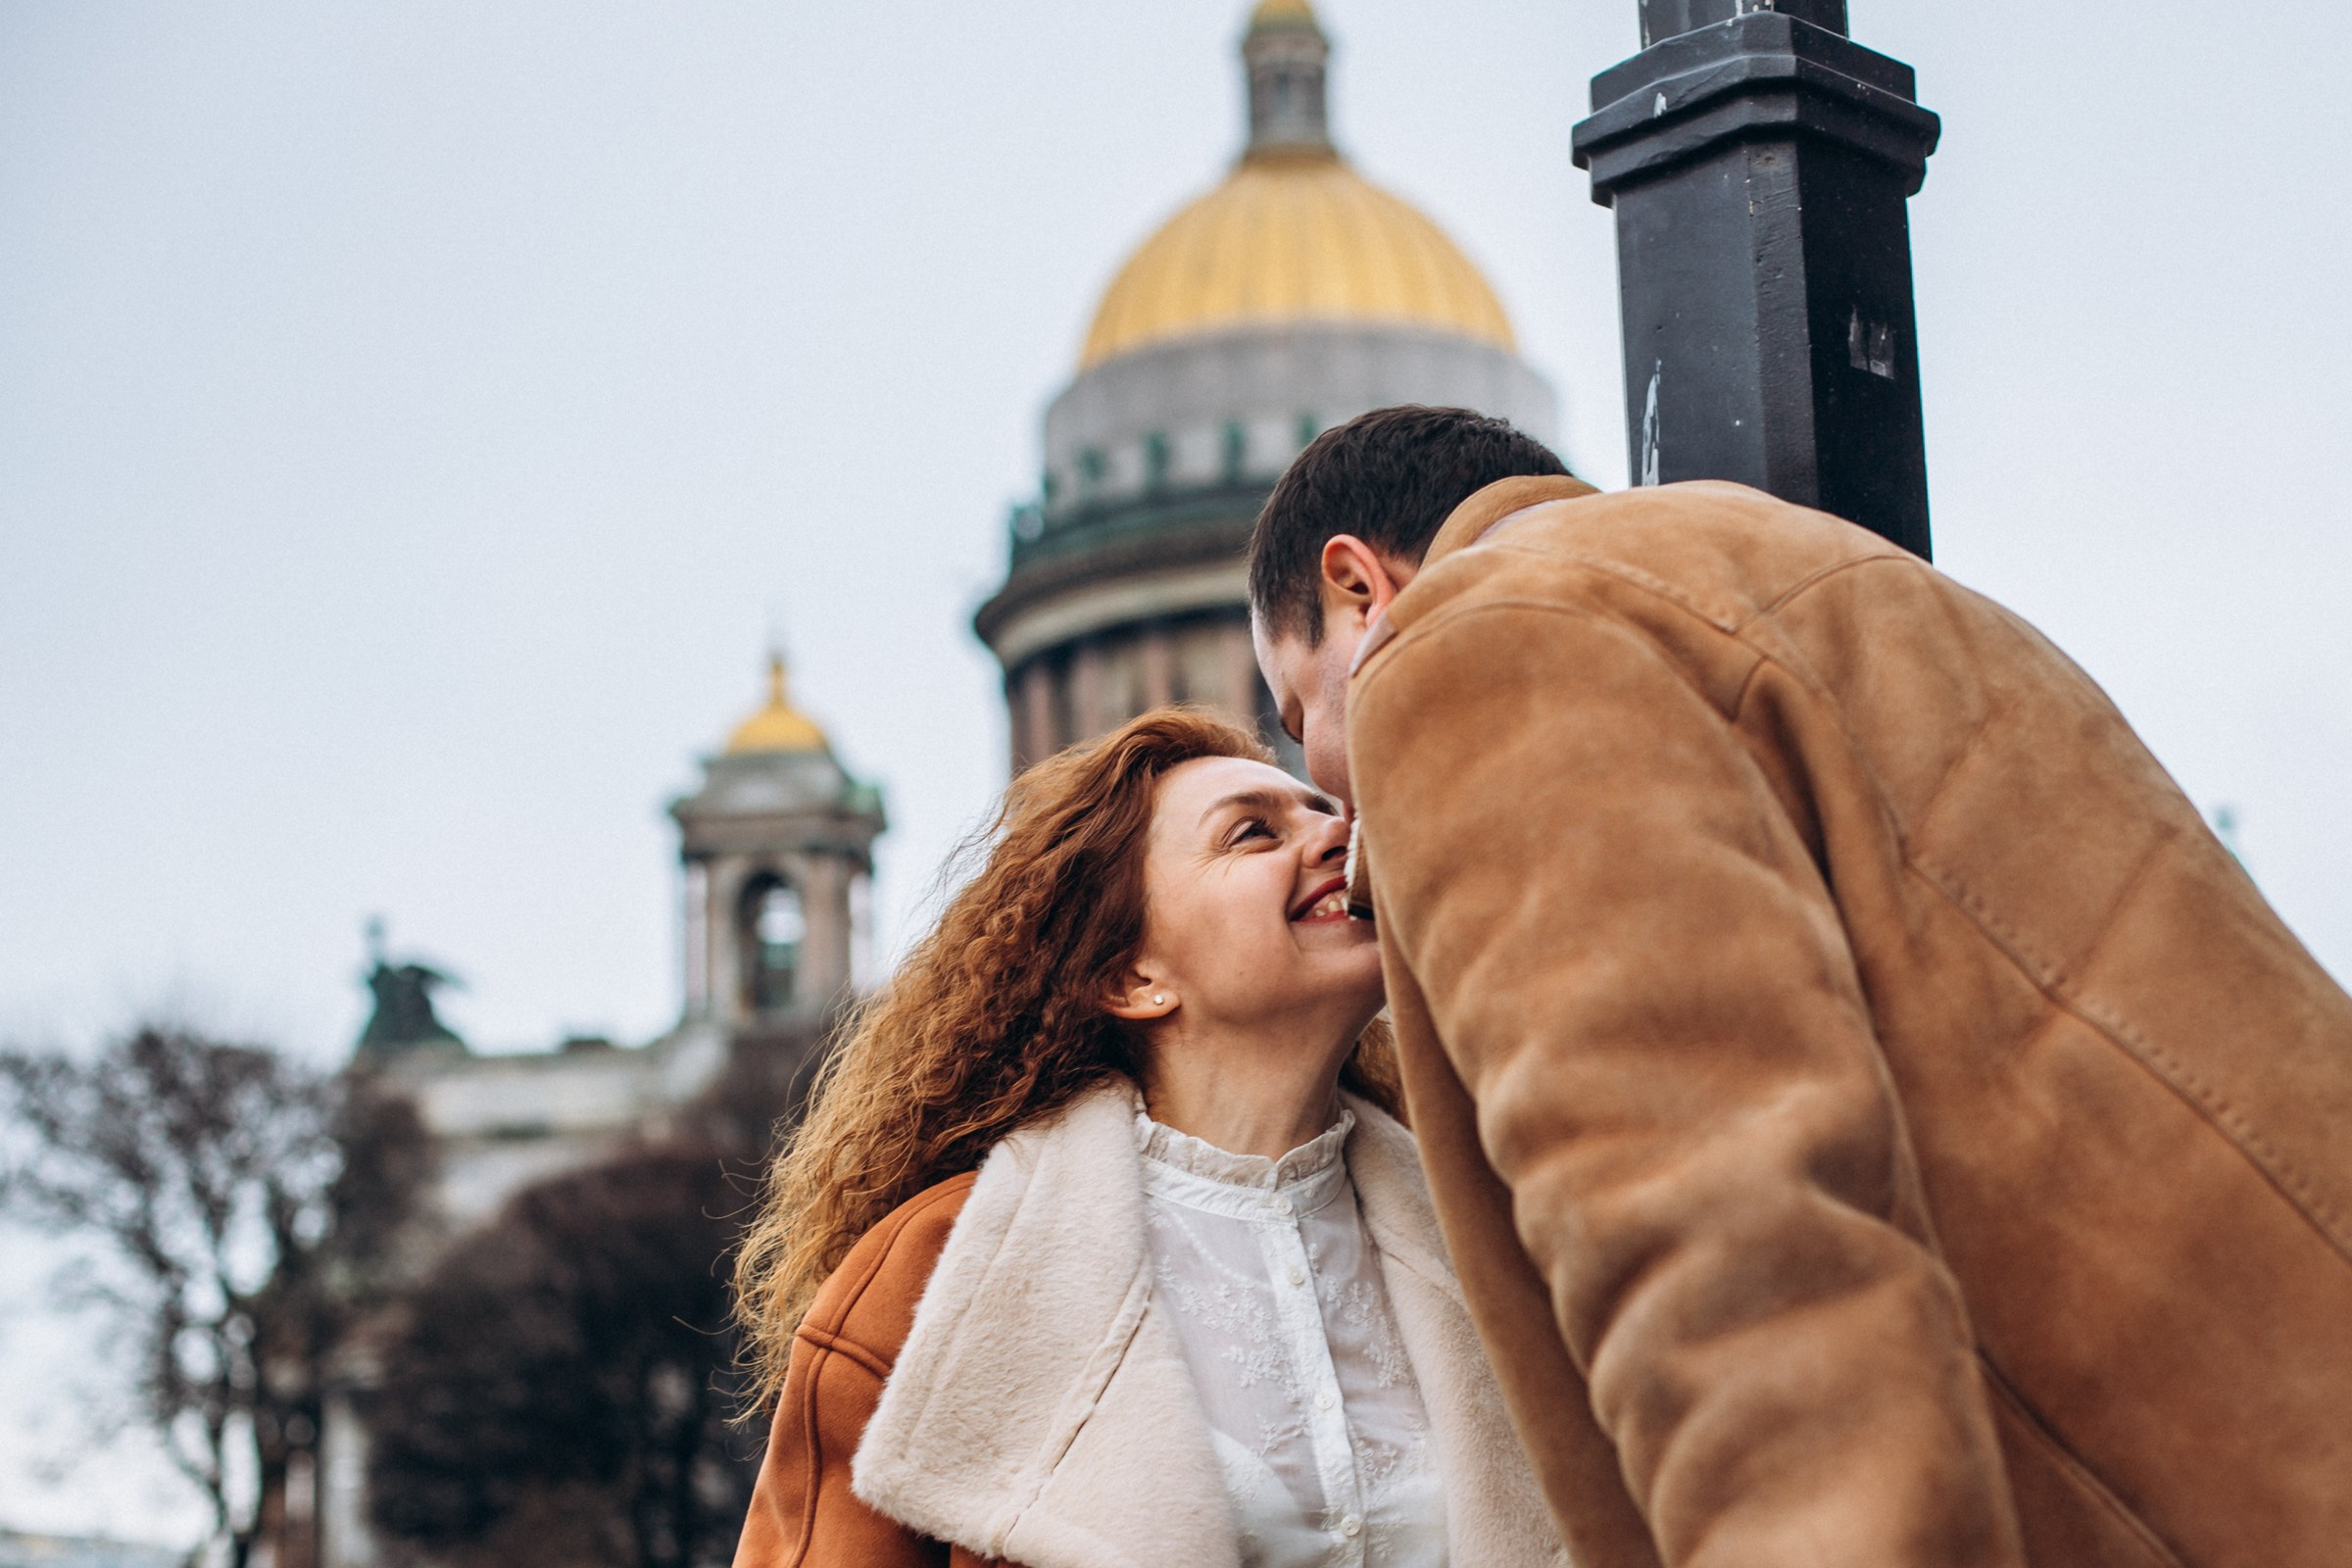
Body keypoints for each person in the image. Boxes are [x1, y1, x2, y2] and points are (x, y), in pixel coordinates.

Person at [1248, 405, 2352, 1568]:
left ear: (1359, 589)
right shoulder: (1824, 572)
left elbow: (1730, 1251)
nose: (1329, 795)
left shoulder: (1470, 651)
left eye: (1298, 716)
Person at [729, 709, 1566, 1568]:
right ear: (1132, 977)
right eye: (1251, 833)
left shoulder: (1501, 1241)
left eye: (1327, 810)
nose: (1339, 836)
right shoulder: (928, 1270)